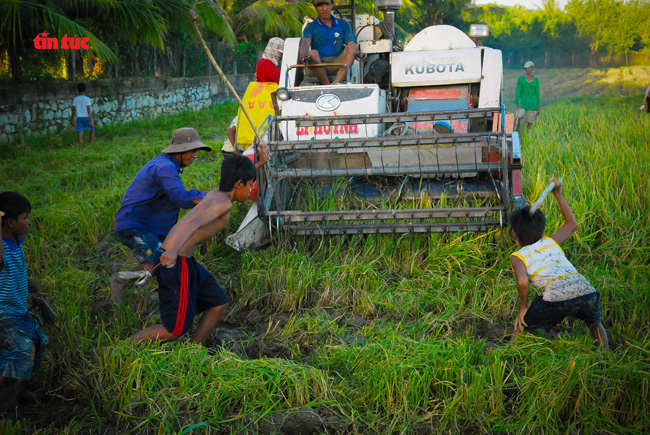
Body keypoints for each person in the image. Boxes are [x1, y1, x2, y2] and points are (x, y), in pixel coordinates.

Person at [129, 154, 262, 345]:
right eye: (250, 185)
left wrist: (259, 164)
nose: (251, 191)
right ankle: (124, 347)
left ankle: (195, 349)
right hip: (176, 261)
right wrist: (173, 250)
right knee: (174, 329)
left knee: (218, 303)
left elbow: (239, 178)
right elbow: (194, 222)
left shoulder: (217, 193)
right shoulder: (222, 203)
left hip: (184, 259)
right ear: (239, 184)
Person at [112, 127, 211, 304]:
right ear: (180, 150)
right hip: (135, 226)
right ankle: (121, 282)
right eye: (193, 150)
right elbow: (180, 198)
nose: (196, 155)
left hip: (145, 225)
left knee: (153, 264)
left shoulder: (167, 165)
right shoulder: (164, 167)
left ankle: (124, 285)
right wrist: (211, 197)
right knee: (165, 262)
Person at [509, 178, 609, 350]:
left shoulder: (518, 256)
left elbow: (523, 282)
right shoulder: (550, 241)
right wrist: (558, 193)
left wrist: (523, 308)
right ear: (542, 231)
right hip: (587, 293)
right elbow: (571, 224)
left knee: (521, 326)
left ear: (515, 234)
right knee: (595, 324)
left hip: (556, 300)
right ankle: (607, 356)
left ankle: (507, 353)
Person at [0, 192, 49, 406]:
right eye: (25, 218)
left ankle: (20, 393)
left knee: (37, 344)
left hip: (19, 310)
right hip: (5, 312)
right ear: (10, 222)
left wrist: (28, 282)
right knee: (21, 349)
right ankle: (6, 395)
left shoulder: (15, 241)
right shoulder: (1, 246)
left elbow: (8, 272)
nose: (29, 223)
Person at [299, 0, 365, 85]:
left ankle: (337, 82)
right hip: (318, 64)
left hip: (338, 63)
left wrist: (357, 52)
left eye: (327, 4)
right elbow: (305, 42)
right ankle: (327, 85)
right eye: (320, 5)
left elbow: (351, 44)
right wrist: (303, 53)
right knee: (312, 53)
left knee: (353, 46)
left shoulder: (343, 24)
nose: (324, 8)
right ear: (315, 7)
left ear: (332, 5)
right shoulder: (310, 26)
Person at [514, 61, 540, 131]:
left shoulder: (536, 80)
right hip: (523, 102)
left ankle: (527, 135)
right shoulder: (521, 79)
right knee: (518, 118)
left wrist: (538, 105)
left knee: (530, 122)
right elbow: (518, 91)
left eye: (528, 68)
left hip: (532, 103)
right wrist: (517, 102)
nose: (527, 69)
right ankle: (516, 132)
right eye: (525, 68)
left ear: (532, 68)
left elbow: (537, 93)